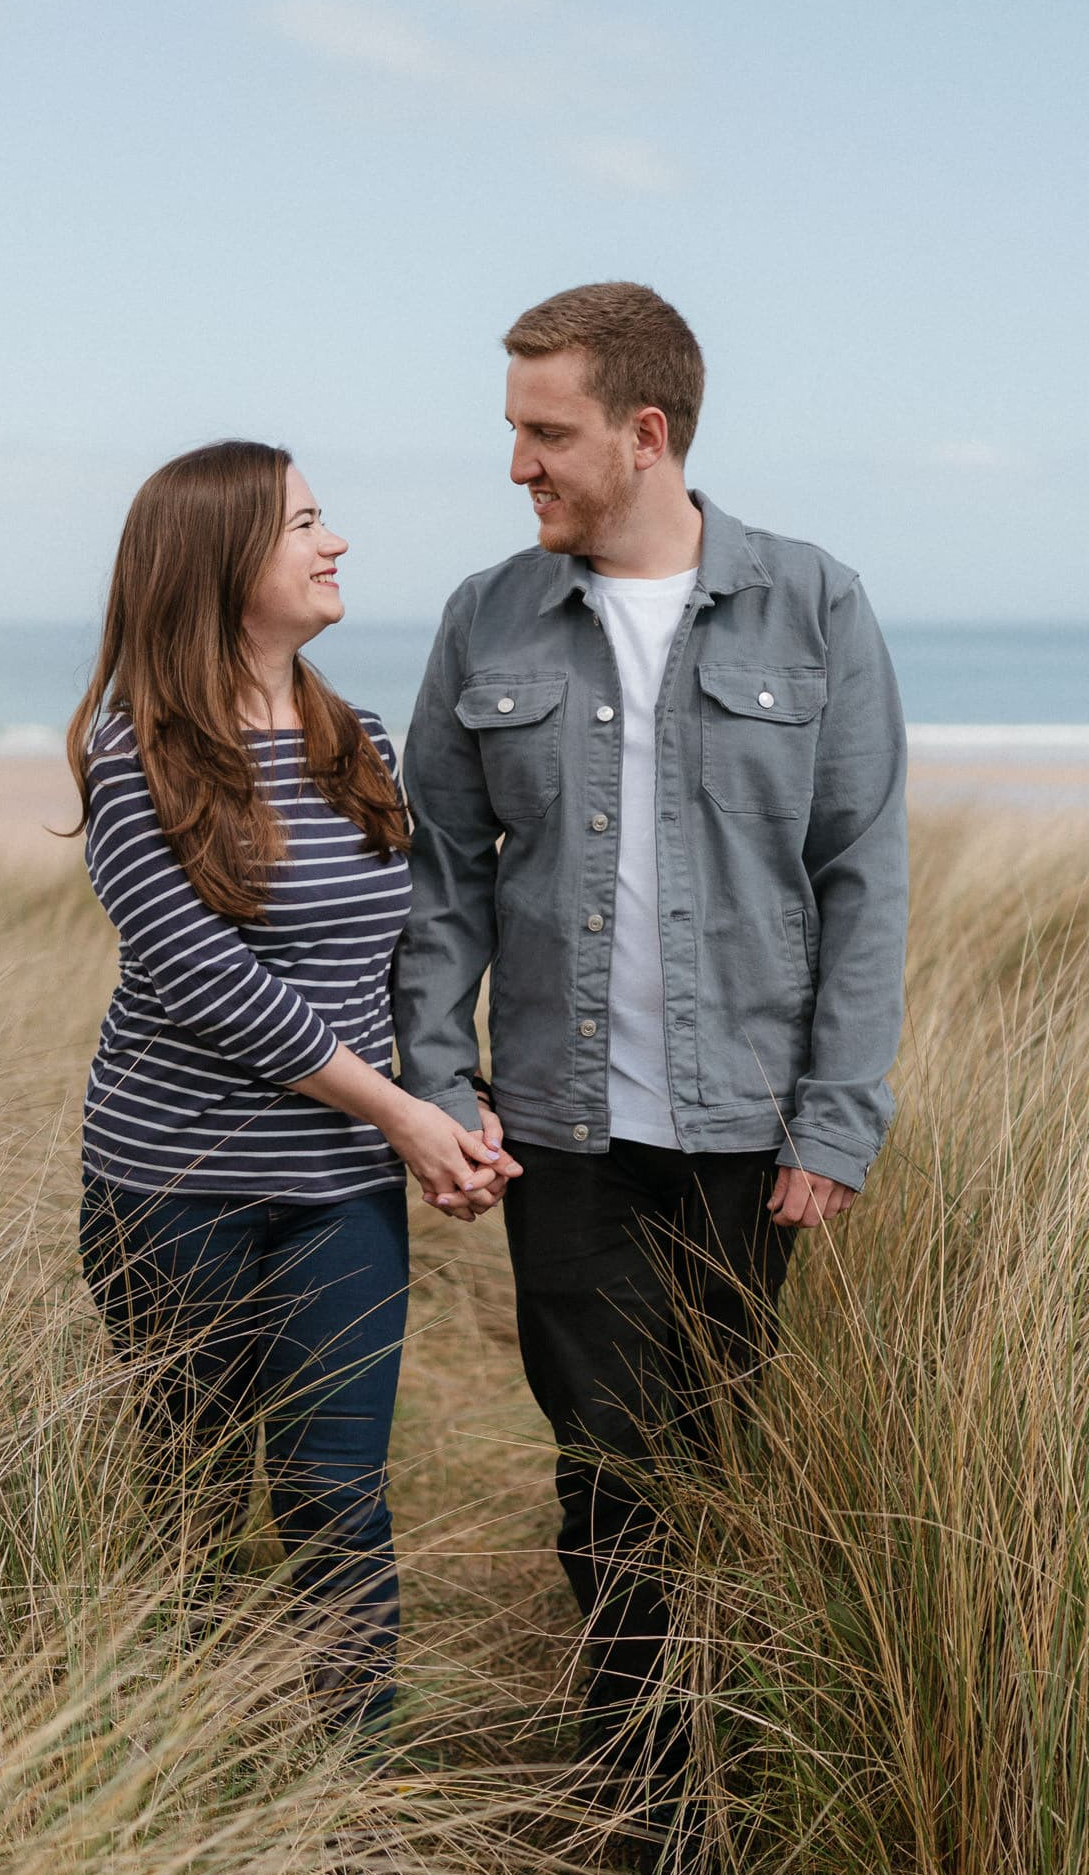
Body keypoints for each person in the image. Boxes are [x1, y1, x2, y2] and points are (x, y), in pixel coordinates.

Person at [393, 284, 908, 1853]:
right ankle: (646, 1805)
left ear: (645, 432)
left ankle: (730, 1760)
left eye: (546, 435)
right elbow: (440, 876)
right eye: (514, 433)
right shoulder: (487, 616)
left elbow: (862, 879)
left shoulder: (815, 606)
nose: (518, 467)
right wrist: (442, 1080)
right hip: (563, 1133)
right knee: (610, 1471)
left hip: (756, 1138)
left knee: (722, 1465)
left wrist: (836, 1119)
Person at [64, 439, 516, 1737]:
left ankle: (349, 1782)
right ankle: (186, 1765)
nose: (337, 542)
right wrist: (403, 1116)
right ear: (220, 563)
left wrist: (450, 1097)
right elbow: (208, 981)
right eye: (305, 523)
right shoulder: (133, 752)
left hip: (339, 1195)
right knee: (194, 1496)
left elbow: (407, 948)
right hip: (175, 1190)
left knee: (336, 1495)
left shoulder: (351, 736)